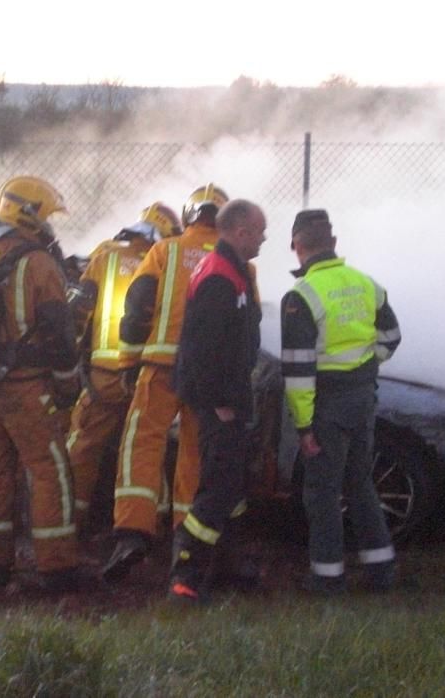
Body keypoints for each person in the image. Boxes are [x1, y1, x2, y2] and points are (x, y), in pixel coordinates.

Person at [0, 176, 80, 593]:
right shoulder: (39, 265)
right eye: (45, 215)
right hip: (26, 391)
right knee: (49, 471)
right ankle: (57, 568)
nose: (49, 224)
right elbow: (62, 338)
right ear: (30, 215)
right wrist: (68, 386)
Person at [102, 183, 229, 583]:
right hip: (208, 377)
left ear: (190, 215)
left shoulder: (164, 251)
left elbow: (136, 307)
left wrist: (126, 360)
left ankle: (132, 534)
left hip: (160, 367)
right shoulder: (237, 260)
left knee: (142, 441)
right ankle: (185, 540)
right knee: (195, 451)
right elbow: (248, 324)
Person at [280, 209, 401, 594]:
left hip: (325, 407)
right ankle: (382, 570)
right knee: (360, 483)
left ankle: (328, 577)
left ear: (295, 247)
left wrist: (303, 426)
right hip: (363, 399)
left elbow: (299, 373)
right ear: (333, 243)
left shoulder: (301, 297)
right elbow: (392, 338)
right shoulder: (367, 284)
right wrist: (364, 371)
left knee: (322, 492)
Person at [167, 199, 266, 603]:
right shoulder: (218, 277)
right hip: (220, 405)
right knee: (215, 492)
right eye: (260, 231)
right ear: (240, 232)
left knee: (233, 492)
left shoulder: (233, 271)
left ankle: (227, 564)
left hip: (234, 400)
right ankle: (184, 579)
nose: (264, 238)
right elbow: (200, 351)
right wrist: (219, 404)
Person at [66, 203, 182, 533]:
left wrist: (72, 356)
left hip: (102, 378)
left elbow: (79, 308)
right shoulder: (167, 261)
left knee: (82, 449)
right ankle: (152, 526)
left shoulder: (105, 256)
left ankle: (72, 522)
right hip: (144, 376)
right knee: (146, 453)